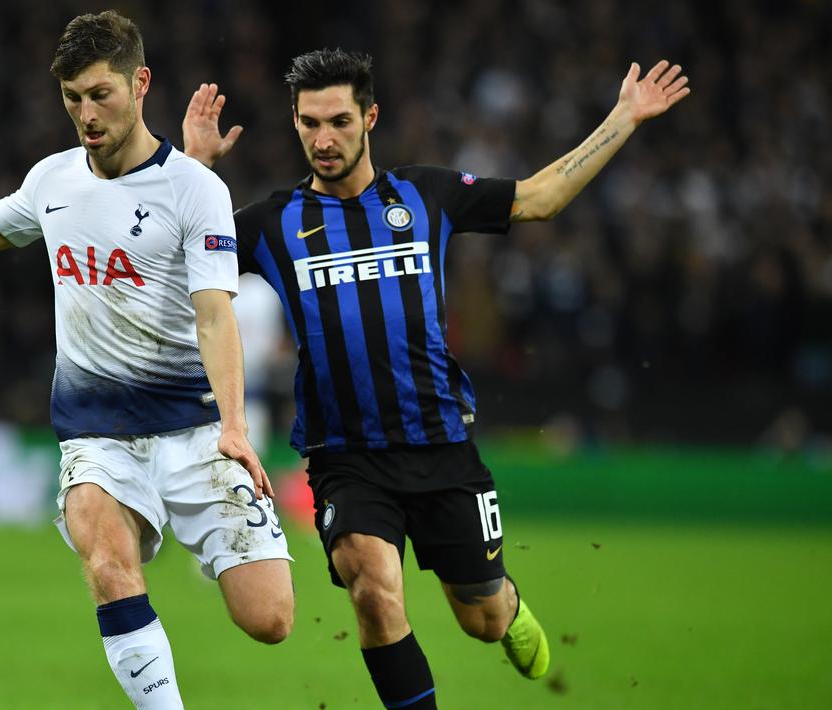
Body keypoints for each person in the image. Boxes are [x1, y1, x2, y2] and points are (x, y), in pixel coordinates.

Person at [183, 49, 689, 708]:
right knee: (372, 588)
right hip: (345, 456)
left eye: (338, 121)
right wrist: (195, 170)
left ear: (370, 117)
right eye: (309, 123)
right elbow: (175, 256)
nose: (323, 139)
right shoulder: (269, 225)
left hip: (442, 448)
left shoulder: (425, 195)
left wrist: (624, 117)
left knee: (481, 617)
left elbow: (540, 198)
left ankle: (506, 606)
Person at [0, 11, 293, 708]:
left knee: (269, 619)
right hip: (96, 432)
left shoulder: (196, 189)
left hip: (197, 428)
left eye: (99, 94)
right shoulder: (52, 179)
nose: (85, 114)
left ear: (140, 84)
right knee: (107, 565)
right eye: (72, 97)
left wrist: (234, 425)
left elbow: (214, 316)